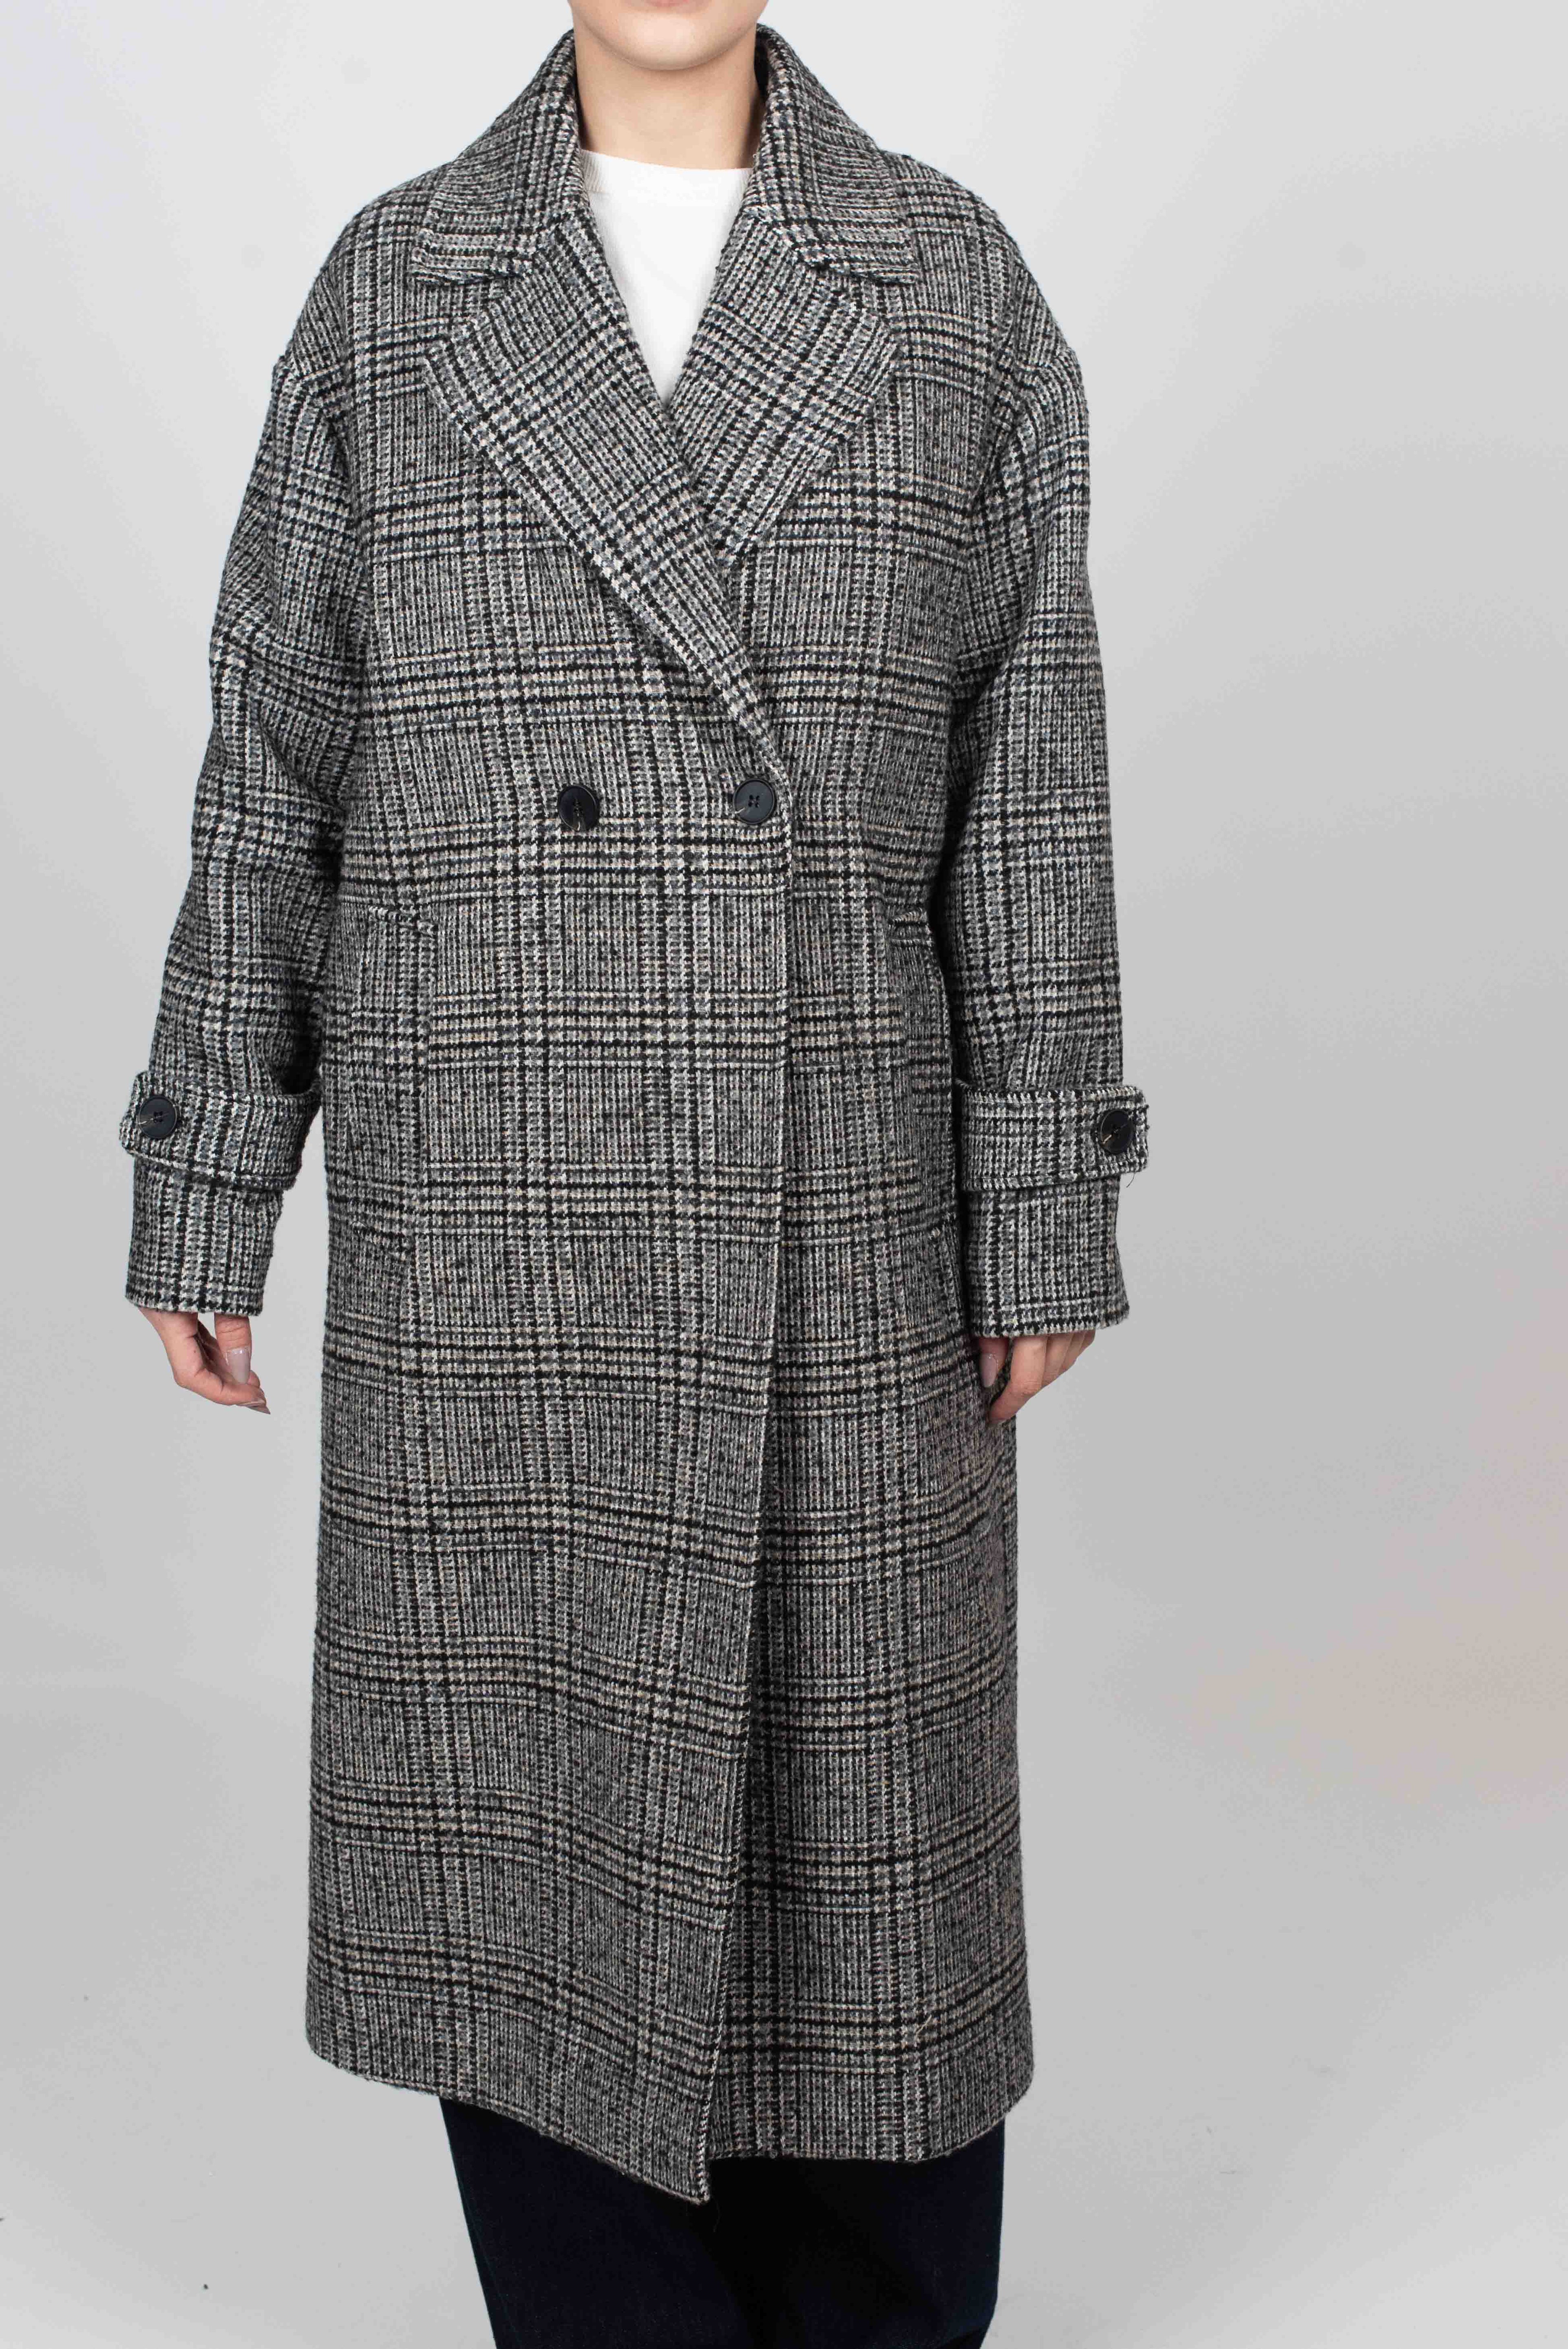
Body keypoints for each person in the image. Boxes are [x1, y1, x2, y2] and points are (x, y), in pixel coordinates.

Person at [120, 4, 1149, 2342]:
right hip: (494, 1212)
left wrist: (1041, 1193)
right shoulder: (403, 284)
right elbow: (278, 749)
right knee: (537, 1843)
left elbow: (1033, 770)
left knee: (861, 1845)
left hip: (842, 1208)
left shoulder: (947, 283)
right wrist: (212, 1161)